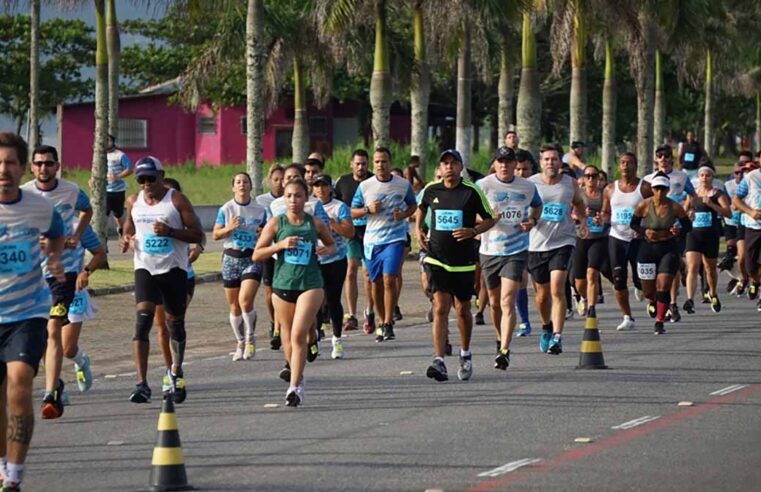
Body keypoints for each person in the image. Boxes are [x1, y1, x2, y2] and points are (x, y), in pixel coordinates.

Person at [0, 132, 67, 491]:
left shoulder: (39, 206)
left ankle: (14, 476)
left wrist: (54, 256)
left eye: (10, 162)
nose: (3, 169)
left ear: (21, 167)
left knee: (19, 384)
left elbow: (58, 232)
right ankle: (1, 463)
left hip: (27, 312)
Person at [120, 156, 203, 404]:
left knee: (174, 324)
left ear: (161, 175)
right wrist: (126, 238)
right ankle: (142, 384)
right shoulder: (134, 201)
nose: (146, 183)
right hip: (144, 266)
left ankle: (176, 371)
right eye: (141, 179)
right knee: (142, 321)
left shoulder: (175, 200)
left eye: (151, 178)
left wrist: (170, 232)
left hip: (173, 269)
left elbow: (198, 234)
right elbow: (128, 226)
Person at [21, 145, 93, 420]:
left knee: (53, 330)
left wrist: (76, 234)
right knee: (39, 337)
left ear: (57, 165)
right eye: (38, 163)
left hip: (62, 274)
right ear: (32, 167)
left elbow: (87, 210)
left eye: (48, 163)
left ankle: (50, 395)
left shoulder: (72, 191)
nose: (43, 168)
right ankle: (57, 382)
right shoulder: (24, 192)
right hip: (29, 274)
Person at [253, 179, 335, 406]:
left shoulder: (315, 223)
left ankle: (294, 387)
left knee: (299, 334)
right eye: (288, 196)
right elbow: (257, 254)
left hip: (310, 284)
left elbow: (332, 245)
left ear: (306, 198)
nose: (293, 200)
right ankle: (298, 375)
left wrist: (324, 249)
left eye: (298, 195)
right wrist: (279, 245)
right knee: (287, 338)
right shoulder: (276, 223)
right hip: (283, 285)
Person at [417, 149, 496, 381]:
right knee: (440, 306)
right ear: (440, 168)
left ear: (461, 167)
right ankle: (439, 359)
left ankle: (465, 352)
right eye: (445, 163)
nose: (449, 167)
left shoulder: (471, 192)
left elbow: (490, 218)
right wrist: (418, 230)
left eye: (454, 163)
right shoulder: (432, 189)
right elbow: (421, 208)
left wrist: (473, 230)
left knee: (462, 309)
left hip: (463, 261)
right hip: (436, 258)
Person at [476, 147, 541, 371]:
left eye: (508, 161)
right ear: (494, 164)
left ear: (515, 164)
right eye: (500, 161)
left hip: (516, 250)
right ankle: (499, 337)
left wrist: (532, 222)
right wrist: (487, 218)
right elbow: (471, 212)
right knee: (494, 303)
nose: (504, 165)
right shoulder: (483, 186)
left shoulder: (527, 186)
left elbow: (537, 206)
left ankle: (504, 349)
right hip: (489, 249)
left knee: (506, 301)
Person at [351, 147, 417, 342]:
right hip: (372, 241)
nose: (381, 165)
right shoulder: (365, 186)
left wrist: (404, 214)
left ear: (390, 162)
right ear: (374, 163)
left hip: (394, 239)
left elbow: (413, 205)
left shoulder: (402, 184)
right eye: (377, 162)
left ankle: (388, 322)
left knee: (390, 278)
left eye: (384, 161)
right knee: (375, 284)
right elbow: (352, 211)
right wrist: (367, 209)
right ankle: (381, 320)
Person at [528, 144, 588, 354]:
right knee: (542, 295)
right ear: (541, 162)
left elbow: (579, 203)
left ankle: (557, 336)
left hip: (563, 241)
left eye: (554, 159)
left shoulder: (570, 183)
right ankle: (546, 326)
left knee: (557, 288)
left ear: (560, 162)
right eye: (547, 159)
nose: (551, 163)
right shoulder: (531, 183)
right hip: (536, 243)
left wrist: (583, 222)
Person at [213, 172, 267, 361]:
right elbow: (216, 234)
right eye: (238, 182)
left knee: (245, 301)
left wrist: (263, 233)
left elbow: (267, 231)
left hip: (251, 258)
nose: (242, 185)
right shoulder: (226, 208)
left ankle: (251, 338)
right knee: (234, 305)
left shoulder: (260, 210)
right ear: (233, 187)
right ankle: (240, 341)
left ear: (251, 186)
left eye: (245, 182)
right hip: (230, 259)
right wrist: (228, 228)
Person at [630, 173, 692, 334]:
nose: (659, 192)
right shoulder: (644, 205)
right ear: (652, 189)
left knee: (664, 286)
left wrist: (677, 230)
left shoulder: (675, 207)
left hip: (668, 248)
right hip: (647, 248)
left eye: (663, 189)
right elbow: (633, 224)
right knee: (649, 291)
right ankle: (653, 301)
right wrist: (645, 231)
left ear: (667, 189)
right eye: (657, 188)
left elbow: (688, 227)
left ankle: (659, 321)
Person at [601, 152, 652, 331]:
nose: (625, 166)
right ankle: (627, 317)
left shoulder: (645, 188)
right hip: (617, 238)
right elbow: (606, 212)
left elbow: (653, 210)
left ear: (635, 166)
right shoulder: (610, 189)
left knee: (642, 278)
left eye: (629, 163)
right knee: (618, 278)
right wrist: (603, 219)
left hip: (637, 239)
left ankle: (642, 289)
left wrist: (644, 228)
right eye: (622, 162)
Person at [644, 144, 696, 322]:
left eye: (666, 156)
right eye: (660, 156)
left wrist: (689, 209)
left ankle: (671, 304)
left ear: (671, 159)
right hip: (654, 229)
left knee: (669, 268)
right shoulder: (648, 179)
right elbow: (642, 202)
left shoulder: (681, 176)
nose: (663, 159)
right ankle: (655, 298)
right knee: (656, 269)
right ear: (655, 159)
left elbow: (692, 194)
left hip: (675, 227)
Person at [58, 224, 106, 402]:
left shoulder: (78, 225)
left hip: (73, 291)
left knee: (67, 349)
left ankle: (81, 361)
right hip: (43, 292)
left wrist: (85, 272)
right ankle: (56, 388)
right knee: (45, 344)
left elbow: (100, 254)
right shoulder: (37, 218)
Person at [312, 173, 354, 359]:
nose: (320, 189)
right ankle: (313, 338)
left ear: (331, 188)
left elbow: (350, 232)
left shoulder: (339, 207)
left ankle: (336, 338)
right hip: (314, 260)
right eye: (317, 185)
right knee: (313, 301)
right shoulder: (308, 206)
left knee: (332, 299)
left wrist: (332, 224)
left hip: (336, 259)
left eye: (324, 185)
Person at [334, 150, 374, 334]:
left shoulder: (374, 181)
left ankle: (370, 311)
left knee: (368, 274)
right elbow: (336, 206)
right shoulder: (343, 182)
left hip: (371, 232)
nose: (361, 167)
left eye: (364, 164)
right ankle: (351, 314)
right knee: (350, 270)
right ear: (351, 164)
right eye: (357, 164)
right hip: (350, 232)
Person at [683, 166, 731, 313]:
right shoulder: (693, 194)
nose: (704, 178)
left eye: (708, 175)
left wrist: (712, 205)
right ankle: (690, 300)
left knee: (710, 269)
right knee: (692, 267)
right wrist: (689, 213)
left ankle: (713, 293)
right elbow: (684, 211)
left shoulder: (718, 194)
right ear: (698, 178)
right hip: (693, 234)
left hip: (710, 235)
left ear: (712, 178)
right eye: (702, 175)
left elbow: (728, 213)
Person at [573, 165, 610, 318]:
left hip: (599, 238)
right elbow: (569, 214)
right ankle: (584, 297)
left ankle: (592, 308)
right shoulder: (578, 194)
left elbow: (609, 215)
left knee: (592, 273)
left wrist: (601, 219)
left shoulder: (604, 195)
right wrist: (580, 215)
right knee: (579, 282)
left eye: (594, 176)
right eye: (587, 176)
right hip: (581, 238)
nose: (590, 179)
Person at [255, 165, 285, 349]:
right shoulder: (261, 201)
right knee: (270, 292)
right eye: (276, 180)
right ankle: (275, 322)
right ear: (269, 180)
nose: (280, 183)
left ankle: (282, 328)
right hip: (268, 250)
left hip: (284, 251)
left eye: (284, 179)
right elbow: (256, 222)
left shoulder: (292, 199)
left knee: (283, 291)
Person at [731, 162, 761, 308]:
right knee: (750, 265)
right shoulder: (751, 178)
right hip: (752, 227)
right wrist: (750, 212)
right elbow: (736, 200)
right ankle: (754, 280)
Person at [513, 153, 535, 335]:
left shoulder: (536, 187)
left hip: (542, 241)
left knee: (542, 288)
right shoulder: (507, 188)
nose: (521, 173)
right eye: (518, 169)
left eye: (525, 169)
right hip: (518, 243)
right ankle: (524, 321)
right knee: (521, 279)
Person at [721, 163, 749, 294]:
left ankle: (745, 277)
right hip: (731, 221)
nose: (740, 175)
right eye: (737, 173)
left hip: (746, 222)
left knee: (744, 255)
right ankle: (736, 277)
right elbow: (726, 203)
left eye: (742, 173)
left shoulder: (751, 183)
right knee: (730, 253)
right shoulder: (727, 185)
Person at [106, 134, 134, 236]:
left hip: (117, 190)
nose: (105, 142)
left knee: (118, 214)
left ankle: (122, 230)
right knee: (104, 215)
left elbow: (130, 169)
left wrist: (117, 176)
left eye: (108, 140)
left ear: (113, 141)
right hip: (104, 190)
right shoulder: (99, 155)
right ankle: (103, 239)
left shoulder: (120, 155)